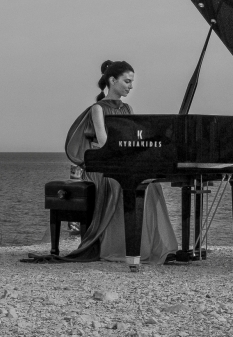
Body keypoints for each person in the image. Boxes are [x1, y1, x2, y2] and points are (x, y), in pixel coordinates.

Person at [62, 60, 178, 264]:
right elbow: (104, 143)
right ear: (112, 80)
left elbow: (132, 139)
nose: (131, 86)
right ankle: (117, 248)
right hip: (102, 166)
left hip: (121, 163)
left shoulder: (127, 108)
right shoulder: (98, 108)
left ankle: (142, 248)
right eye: (127, 81)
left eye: (132, 82)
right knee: (120, 184)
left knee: (150, 185)